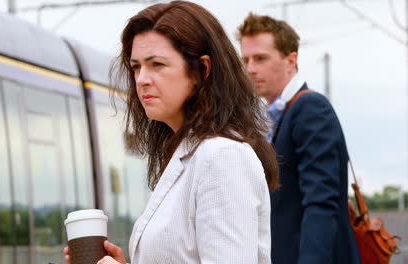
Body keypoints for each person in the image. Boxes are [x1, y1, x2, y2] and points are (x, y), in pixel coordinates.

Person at [64, 1, 279, 263]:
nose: (142, 78)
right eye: (136, 67)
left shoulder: (223, 158)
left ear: (202, 70)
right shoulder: (187, 153)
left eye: (157, 64)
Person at [237, 13, 361, 264]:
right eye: (246, 60)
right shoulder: (280, 115)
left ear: (291, 60)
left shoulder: (311, 109)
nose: (250, 68)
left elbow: (321, 204)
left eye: (260, 58)